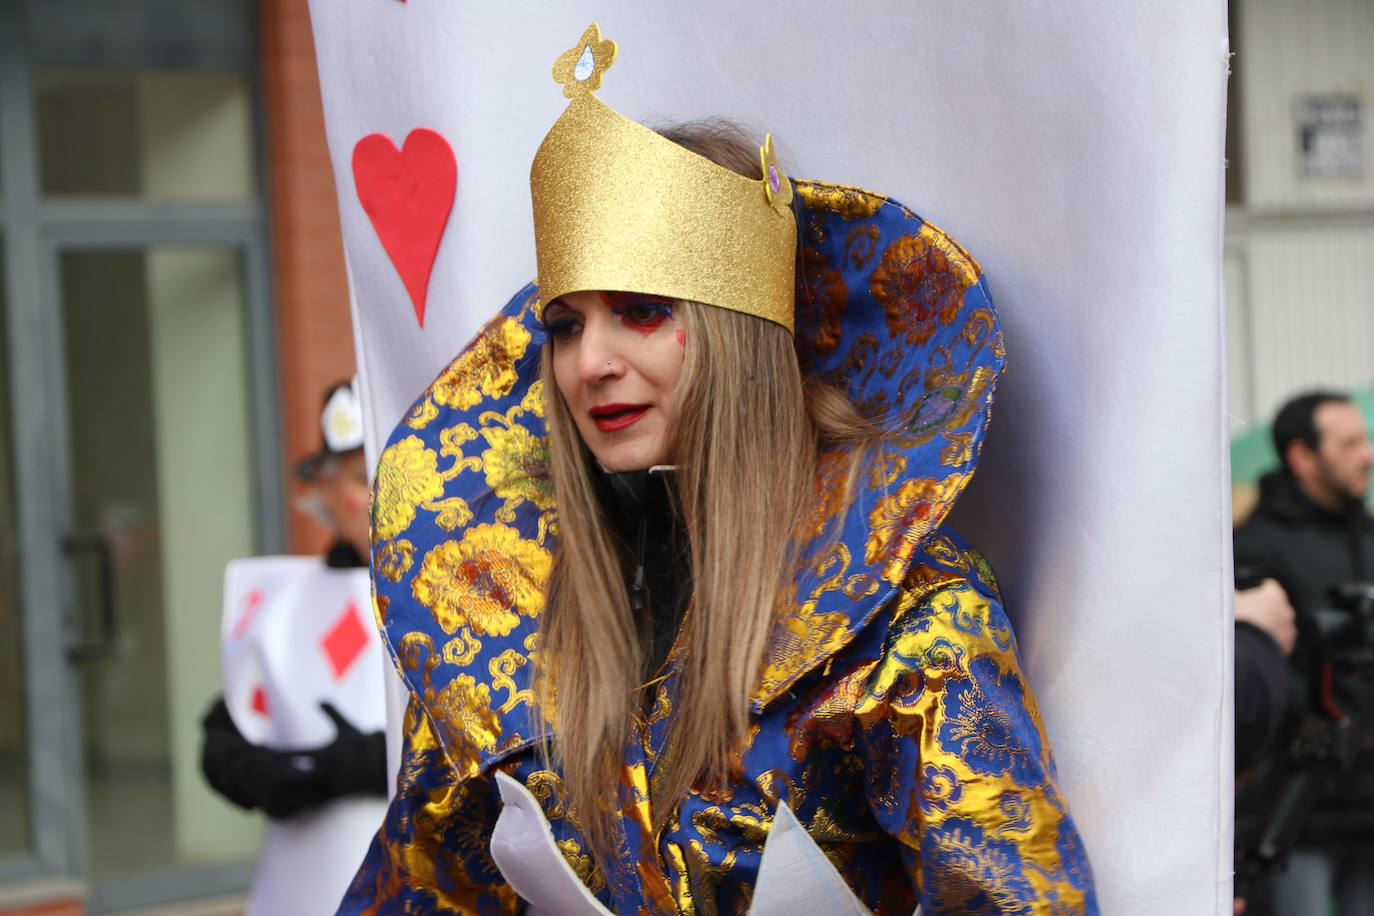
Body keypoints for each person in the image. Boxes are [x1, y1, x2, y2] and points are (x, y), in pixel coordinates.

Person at [342, 24, 1096, 914]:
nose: (592, 364)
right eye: (567, 325)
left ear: (738, 338)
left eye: (642, 312)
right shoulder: (511, 625)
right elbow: (422, 890)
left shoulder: (906, 624)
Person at [200, 379, 386, 820]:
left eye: (398, 474)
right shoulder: (282, 606)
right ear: (324, 490)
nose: (385, 496)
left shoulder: (469, 597)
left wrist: (363, 763)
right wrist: (260, 773)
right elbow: (232, 723)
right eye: (364, 478)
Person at [1233, 390, 1374, 916]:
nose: (1368, 454)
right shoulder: (1256, 548)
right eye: (1350, 442)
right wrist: (1319, 721)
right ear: (1302, 457)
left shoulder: (1367, 536)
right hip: (1297, 813)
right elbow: (1256, 670)